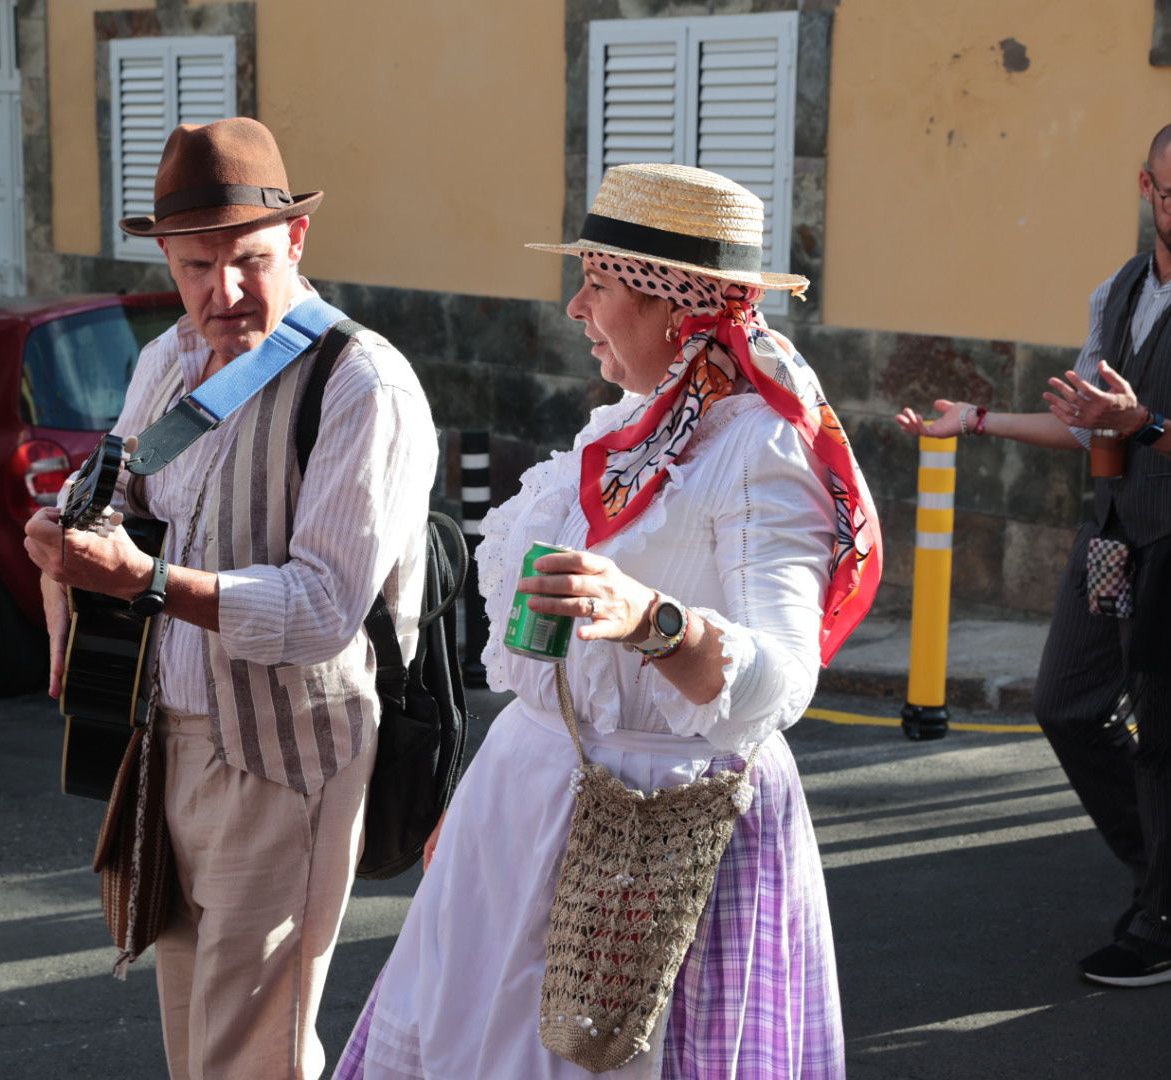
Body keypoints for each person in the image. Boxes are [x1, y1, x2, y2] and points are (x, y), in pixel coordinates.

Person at [336, 163, 882, 1080]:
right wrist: (485, 803)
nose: (574, 306)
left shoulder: (759, 447)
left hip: (655, 833)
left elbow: (781, 682)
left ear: (676, 309)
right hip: (531, 804)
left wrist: (650, 620)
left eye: (598, 283)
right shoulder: (635, 426)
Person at [22, 118, 437, 1079]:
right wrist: (61, 533)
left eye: (249, 259)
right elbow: (116, 490)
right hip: (168, 733)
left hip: (289, 752)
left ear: (296, 241)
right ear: (167, 255)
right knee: (197, 1046)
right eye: (197, 265)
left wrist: (151, 582)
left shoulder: (361, 381)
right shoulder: (165, 361)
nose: (226, 291)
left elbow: (324, 606)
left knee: (255, 1055)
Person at [896, 124, 1171, 988]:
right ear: (1145, 186)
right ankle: (1154, 873)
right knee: (1066, 702)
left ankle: (1160, 919)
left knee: (1163, 739)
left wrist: (1146, 427)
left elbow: (1134, 426)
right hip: (1113, 538)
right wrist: (974, 420)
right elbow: (1082, 422)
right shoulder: (1119, 292)